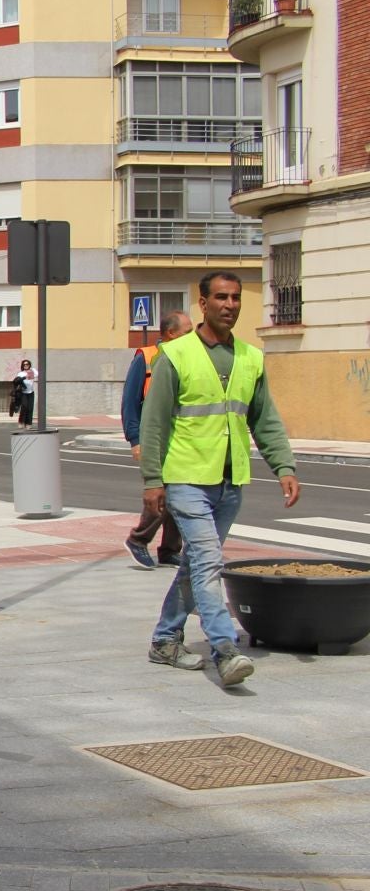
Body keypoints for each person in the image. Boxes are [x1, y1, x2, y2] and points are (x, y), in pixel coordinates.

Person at [139, 271, 299, 686]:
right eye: (222, 298)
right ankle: (226, 649)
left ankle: (165, 640)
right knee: (209, 560)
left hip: (231, 481)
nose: (230, 305)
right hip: (187, 478)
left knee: (195, 565)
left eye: (236, 298)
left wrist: (284, 467)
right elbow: (154, 424)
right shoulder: (176, 356)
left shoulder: (250, 357)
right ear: (203, 302)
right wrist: (153, 480)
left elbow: (265, 419)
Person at [122, 310, 191, 570]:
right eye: (187, 332)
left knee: (180, 493)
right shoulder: (147, 357)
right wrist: (135, 440)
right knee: (163, 492)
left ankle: (170, 549)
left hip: (180, 438)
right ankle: (138, 540)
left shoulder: (188, 357)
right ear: (171, 333)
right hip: (154, 439)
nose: (192, 336)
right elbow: (130, 402)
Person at [12, 359, 37, 427]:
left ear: (29, 365)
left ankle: (28, 423)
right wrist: (24, 377)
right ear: (22, 365)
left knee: (30, 408)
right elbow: (16, 380)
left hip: (31, 392)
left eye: (27, 364)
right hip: (23, 393)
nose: (26, 365)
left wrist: (30, 371)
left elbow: (37, 374)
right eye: (24, 364)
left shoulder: (32, 371)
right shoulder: (21, 373)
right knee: (24, 407)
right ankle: (21, 422)